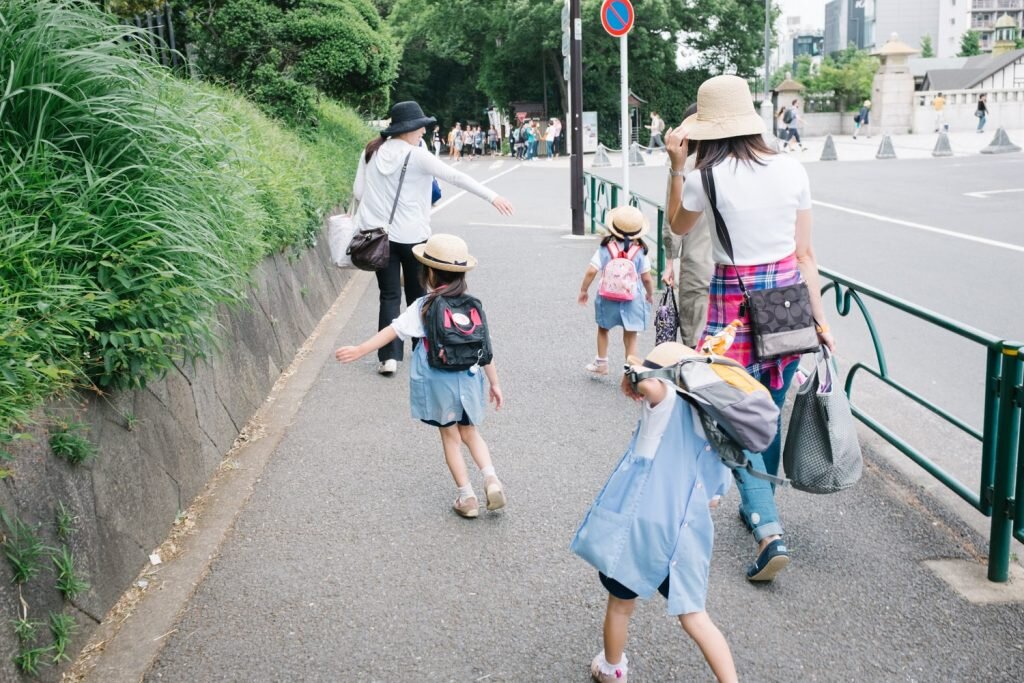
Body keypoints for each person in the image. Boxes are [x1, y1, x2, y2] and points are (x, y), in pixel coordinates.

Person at [665, 75, 836, 582]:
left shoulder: (704, 176)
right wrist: (821, 321)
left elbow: (677, 226)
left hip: (732, 308)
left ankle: (767, 529)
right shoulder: (791, 168)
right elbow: (805, 254)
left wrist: (678, 165)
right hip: (786, 303)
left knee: (735, 419)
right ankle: (759, 500)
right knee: (769, 408)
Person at [571, 342, 738, 683]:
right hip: (686, 534)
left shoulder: (666, 406)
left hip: (642, 531)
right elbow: (714, 498)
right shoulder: (715, 425)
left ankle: (611, 668)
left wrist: (633, 376)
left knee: (620, 603)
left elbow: (649, 383)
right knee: (695, 616)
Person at [336, 234, 507, 519]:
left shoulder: (425, 306)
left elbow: (393, 331)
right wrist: (495, 383)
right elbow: (485, 348)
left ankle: (467, 497)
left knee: (450, 436)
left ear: (427, 272)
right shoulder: (472, 305)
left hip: (439, 380)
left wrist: (360, 349)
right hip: (469, 376)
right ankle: (491, 479)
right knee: (471, 433)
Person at [352, 101, 514, 376]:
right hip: (414, 238)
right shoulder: (416, 155)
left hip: (378, 238)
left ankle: (388, 358)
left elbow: (358, 192)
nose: (423, 134)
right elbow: (454, 176)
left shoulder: (371, 151)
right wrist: (492, 196)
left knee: (388, 295)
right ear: (409, 129)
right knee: (420, 297)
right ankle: (421, 350)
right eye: (420, 129)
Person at [577, 206, 654, 375]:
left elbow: (591, 271)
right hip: (632, 299)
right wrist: (649, 293)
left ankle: (601, 363)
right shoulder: (640, 251)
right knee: (630, 335)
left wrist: (584, 290)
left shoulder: (605, 248)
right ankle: (631, 370)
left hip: (607, 297)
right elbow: (647, 278)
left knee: (603, 329)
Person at [661, 103, 712, 347]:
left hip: (698, 269)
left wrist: (670, 262)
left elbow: (673, 223)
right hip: (742, 274)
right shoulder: (743, 167)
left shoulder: (686, 170)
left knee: (697, 344)